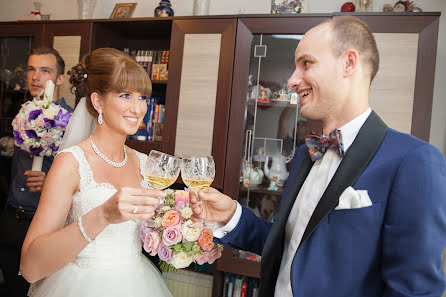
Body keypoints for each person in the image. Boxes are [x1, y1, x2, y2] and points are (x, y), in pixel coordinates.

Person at [190, 16, 446, 297]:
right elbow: (291, 248)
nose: (292, 80)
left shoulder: (413, 161)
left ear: (349, 63)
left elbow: (414, 291)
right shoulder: (304, 155)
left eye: (306, 63)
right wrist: (231, 215)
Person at [20, 48, 173, 297]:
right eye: (125, 95)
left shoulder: (146, 165)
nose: (138, 108)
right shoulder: (70, 164)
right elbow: (30, 267)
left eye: (142, 97)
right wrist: (102, 215)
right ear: (97, 101)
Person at [0, 46, 74, 297]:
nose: (35, 77)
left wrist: (52, 182)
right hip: (11, 218)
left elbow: (86, 178)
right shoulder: (21, 113)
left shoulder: (72, 121)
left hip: (45, 225)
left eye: (45, 71)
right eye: (31, 69)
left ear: (60, 79)